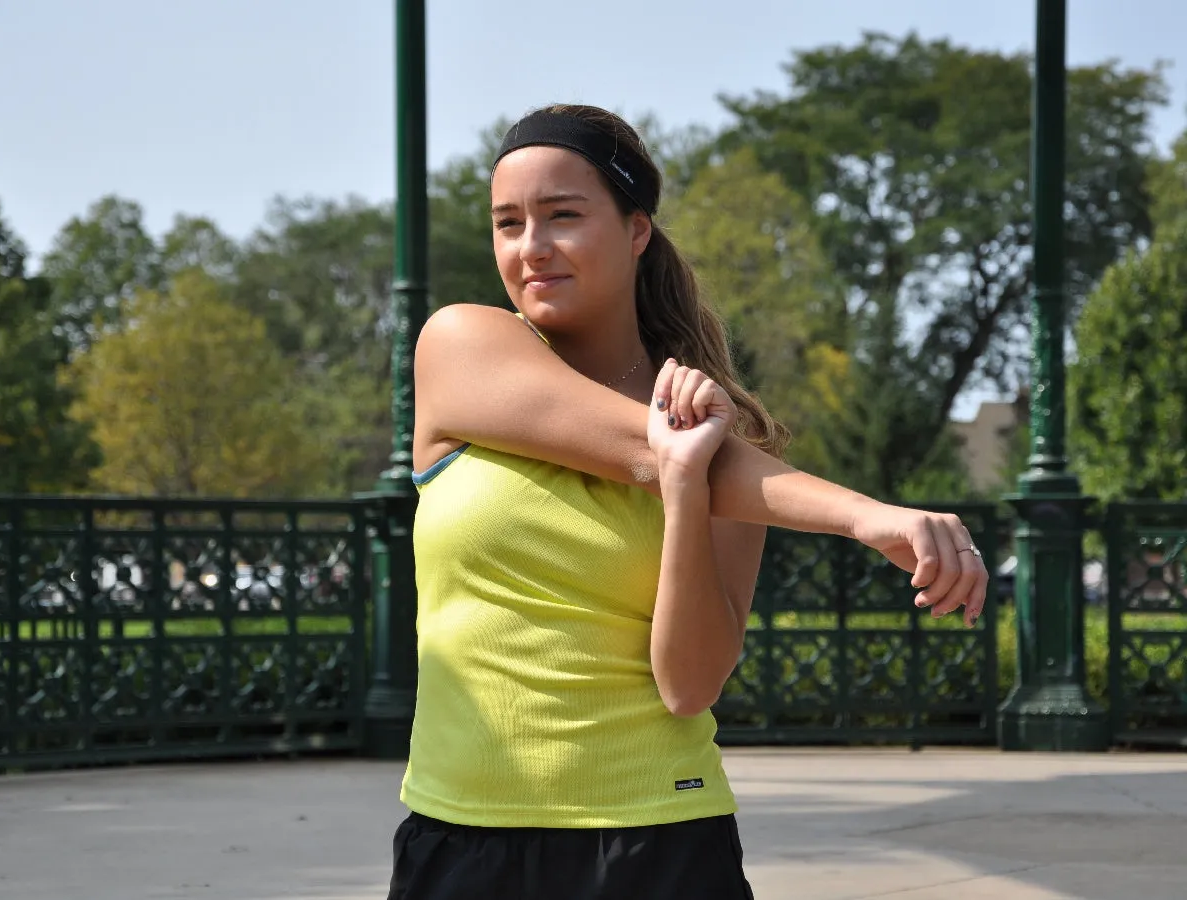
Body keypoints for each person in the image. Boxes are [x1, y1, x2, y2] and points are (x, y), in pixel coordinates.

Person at [387, 103, 989, 900]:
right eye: (508, 223)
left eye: (563, 215)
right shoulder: (461, 345)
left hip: (661, 843)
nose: (531, 248)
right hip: (459, 842)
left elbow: (687, 685)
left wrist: (684, 491)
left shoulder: (730, 451)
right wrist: (867, 516)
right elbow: (638, 444)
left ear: (637, 230)